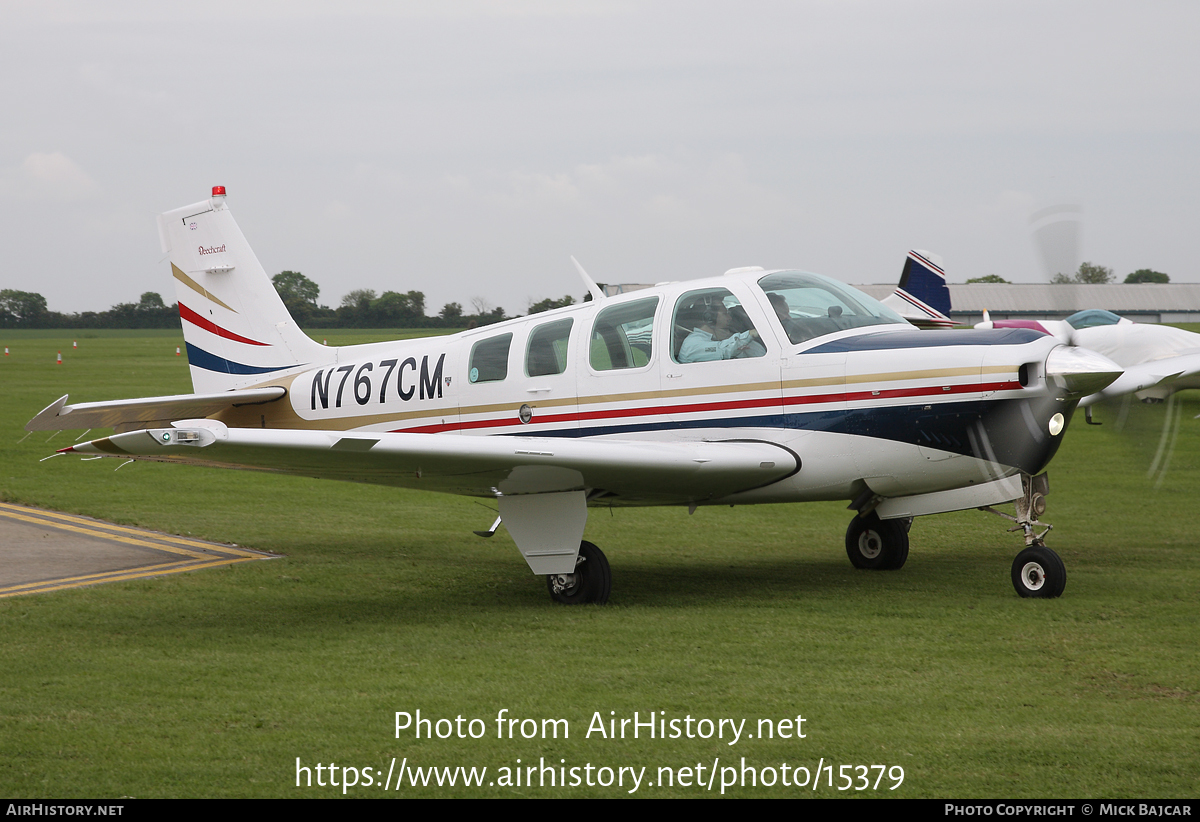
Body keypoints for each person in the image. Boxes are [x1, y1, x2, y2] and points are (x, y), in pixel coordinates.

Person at [679, 301, 764, 362]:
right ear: (709, 318)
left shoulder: (718, 338)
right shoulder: (692, 344)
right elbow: (724, 350)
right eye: (724, 313)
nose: (729, 318)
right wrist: (750, 334)